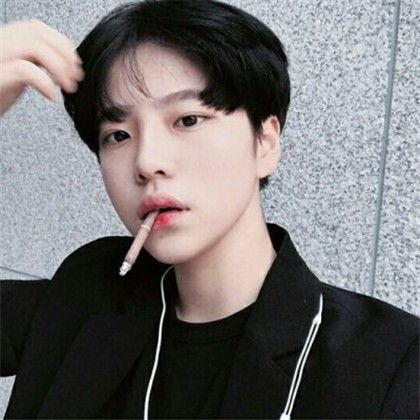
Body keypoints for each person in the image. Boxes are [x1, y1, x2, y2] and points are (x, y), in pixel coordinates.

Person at [0, 1, 418, 419]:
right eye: (119, 134)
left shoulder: (390, 365)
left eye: (188, 120)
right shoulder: (90, 291)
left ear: (265, 142)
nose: (147, 162)